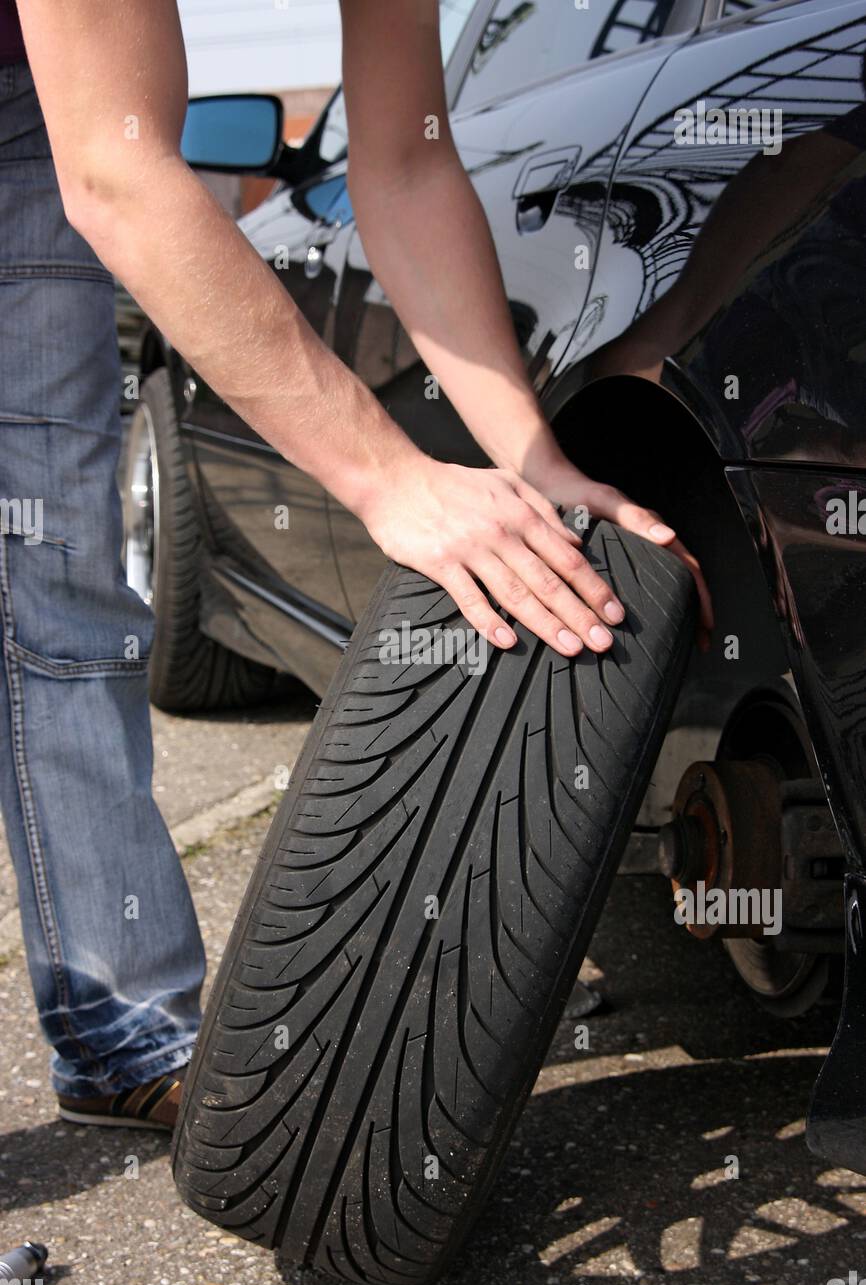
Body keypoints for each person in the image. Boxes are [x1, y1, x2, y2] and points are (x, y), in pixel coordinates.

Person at [0, 0, 710, 1130]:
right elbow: (121, 174)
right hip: (71, 116)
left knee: (61, 584)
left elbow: (407, 163)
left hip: (34, 109)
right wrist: (386, 477)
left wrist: (531, 456)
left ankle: (118, 1027)